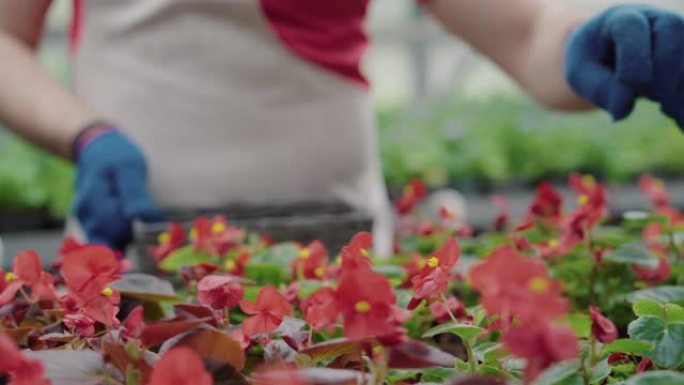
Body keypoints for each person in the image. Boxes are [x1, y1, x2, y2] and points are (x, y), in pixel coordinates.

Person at [1, 1, 683, 256]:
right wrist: (85, 135)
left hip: (340, 284)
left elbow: (525, 29)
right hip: (127, 265)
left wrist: (592, 39)